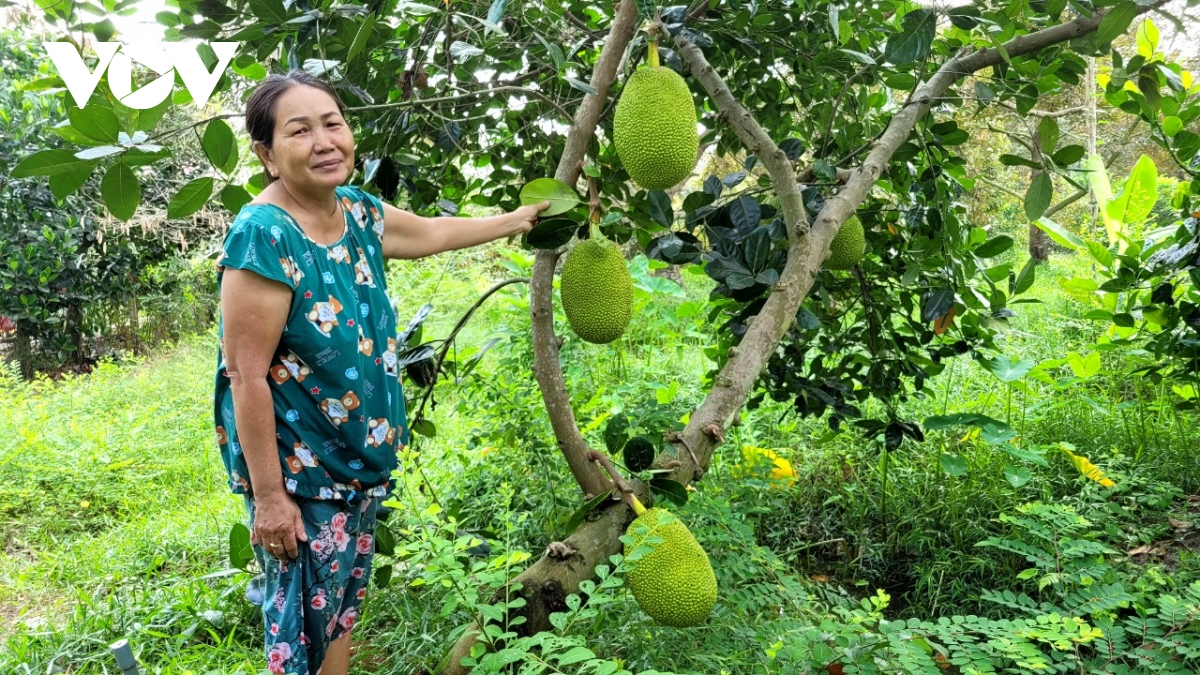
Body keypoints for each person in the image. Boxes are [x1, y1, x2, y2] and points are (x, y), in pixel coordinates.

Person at [212, 70, 548, 675]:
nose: (323, 141)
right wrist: (269, 499)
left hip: (360, 463)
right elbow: (246, 376)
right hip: (303, 478)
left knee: (337, 610)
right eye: (299, 130)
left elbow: (434, 232)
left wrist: (516, 219)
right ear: (266, 155)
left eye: (332, 123)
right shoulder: (263, 237)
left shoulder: (357, 212)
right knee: (301, 634)